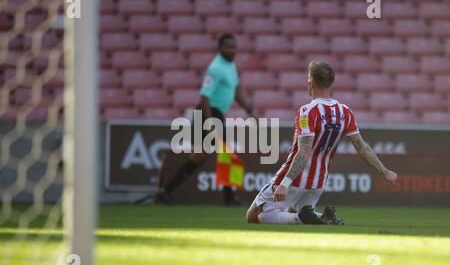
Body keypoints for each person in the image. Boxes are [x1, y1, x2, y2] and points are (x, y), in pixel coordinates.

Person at [246, 61, 398, 225]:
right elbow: (362, 148)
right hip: (318, 183)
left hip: (296, 179)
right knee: (293, 212)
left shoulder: (307, 112)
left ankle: (305, 217)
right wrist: (385, 172)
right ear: (331, 83)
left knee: (253, 216)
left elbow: (304, 152)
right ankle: (323, 217)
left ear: (310, 81)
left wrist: (284, 183)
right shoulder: (344, 112)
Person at [156, 34, 254, 206]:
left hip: (216, 113)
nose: (232, 50)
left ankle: (165, 191)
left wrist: (249, 110)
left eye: (234, 47)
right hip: (208, 113)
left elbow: (236, 89)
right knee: (226, 153)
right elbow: (204, 97)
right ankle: (229, 198)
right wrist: (209, 124)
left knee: (201, 157)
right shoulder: (215, 68)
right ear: (220, 48)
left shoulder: (230, 66)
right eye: (228, 47)